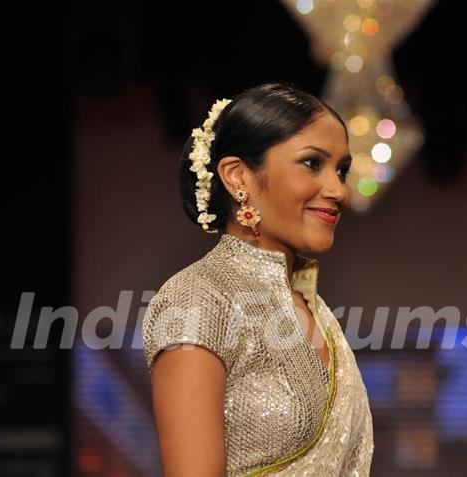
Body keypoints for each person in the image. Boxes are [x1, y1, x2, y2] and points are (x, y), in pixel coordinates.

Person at [142, 82, 374, 476]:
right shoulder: (198, 298)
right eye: (313, 163)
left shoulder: (316, 310)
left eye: (342, 170)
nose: (339, 190)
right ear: (238, 177)